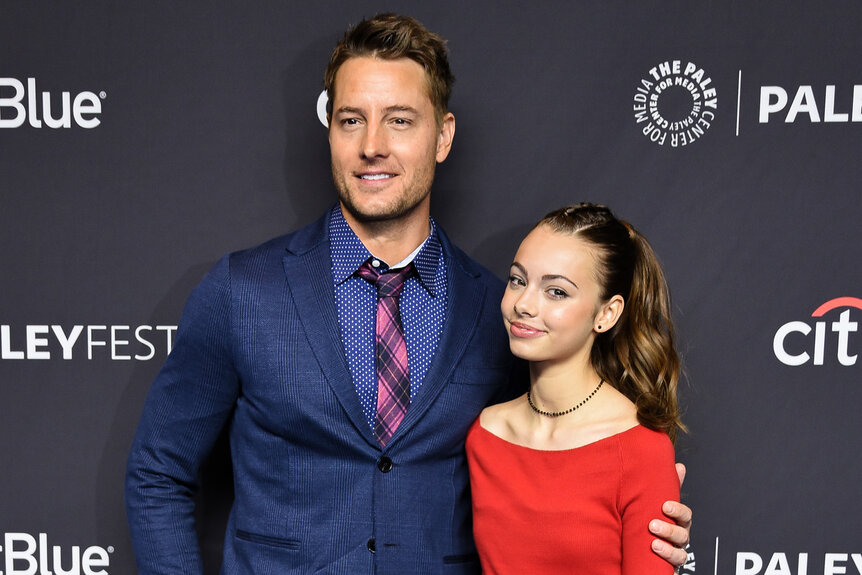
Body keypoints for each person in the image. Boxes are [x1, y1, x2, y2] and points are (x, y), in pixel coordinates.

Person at [125, 15, 691, 575]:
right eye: (351, 120)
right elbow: (158, 472)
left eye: (399, 120)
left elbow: (552, 466)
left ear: (442, 136)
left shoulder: (498, 312)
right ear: (330, 131)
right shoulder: (243, 291)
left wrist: (643, 509)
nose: (372, 146)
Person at [466, 203, 685, 574]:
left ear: (606, 314)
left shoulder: (640, 448)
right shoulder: (486, 435)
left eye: (556, 292)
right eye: (518, 280)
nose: (523, 304)